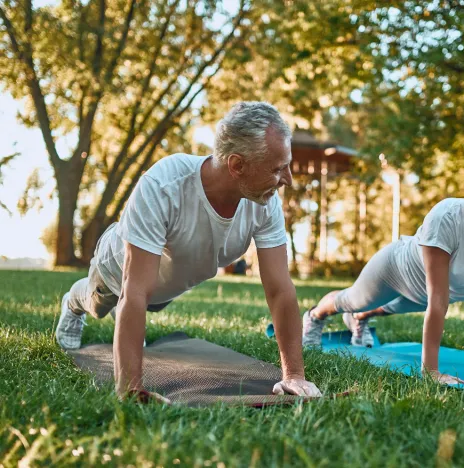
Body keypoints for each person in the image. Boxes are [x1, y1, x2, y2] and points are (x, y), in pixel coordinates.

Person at [56, 102, 321, 402]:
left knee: (147, 303)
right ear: (237, 165)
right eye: (276, 169)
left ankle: (126, 318)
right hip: (118, 270)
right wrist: (129, 389)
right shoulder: (163, 185)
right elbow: (134, 291)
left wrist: (294, 376)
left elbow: (280, 289)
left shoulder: (263, 202)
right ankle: (72, 303)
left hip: (164, 285)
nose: (287, 179)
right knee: (100, 303)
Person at [302, 156, 464, 385]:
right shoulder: (447, 215)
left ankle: (360, 320)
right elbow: (438, 300)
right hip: (396, 270)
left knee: (379, 309)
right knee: (353, 300)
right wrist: (431, 371)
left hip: (428, 295)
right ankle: (315, 317)